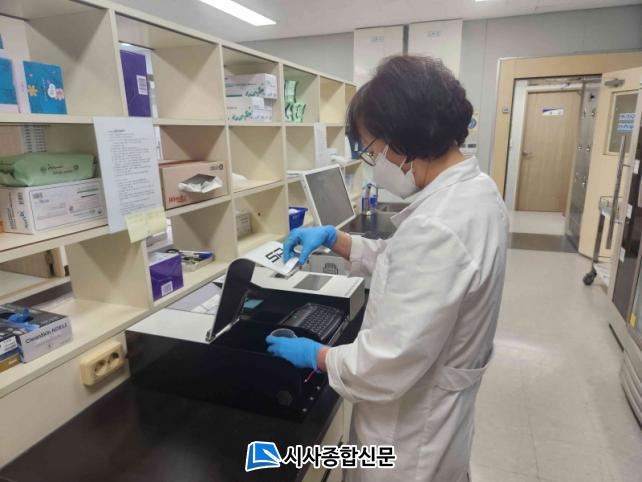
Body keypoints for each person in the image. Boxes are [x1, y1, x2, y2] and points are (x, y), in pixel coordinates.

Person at [266, 55, 509, 482]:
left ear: (403, 139)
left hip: (409, 439)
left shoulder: (439, 224)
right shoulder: (475, 193)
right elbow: (406, 264)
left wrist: (316, 356)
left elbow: (384, 362)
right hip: (436, 416)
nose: (371, 161)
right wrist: (336, 239)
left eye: (371, 149)